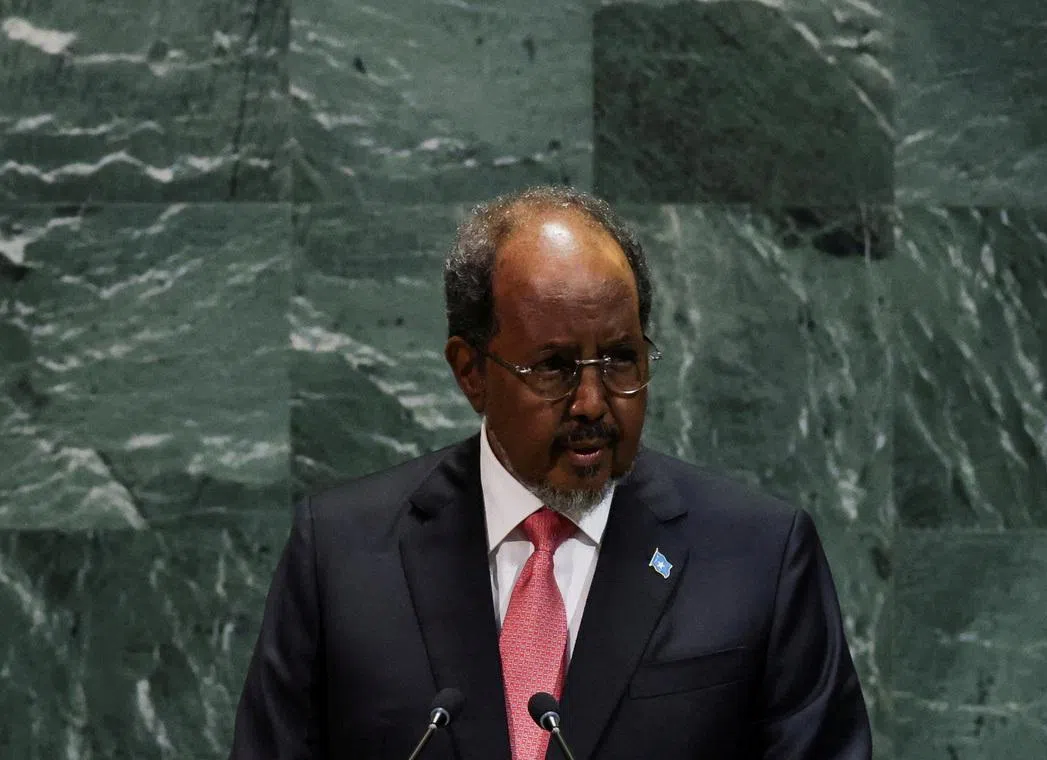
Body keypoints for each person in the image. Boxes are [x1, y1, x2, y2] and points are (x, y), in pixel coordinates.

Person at [230, 186, 872, 759]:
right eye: (554, 367)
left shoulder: (758, 555)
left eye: (621, 359)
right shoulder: (341, 555)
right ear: (471, 371)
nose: (593, 402)